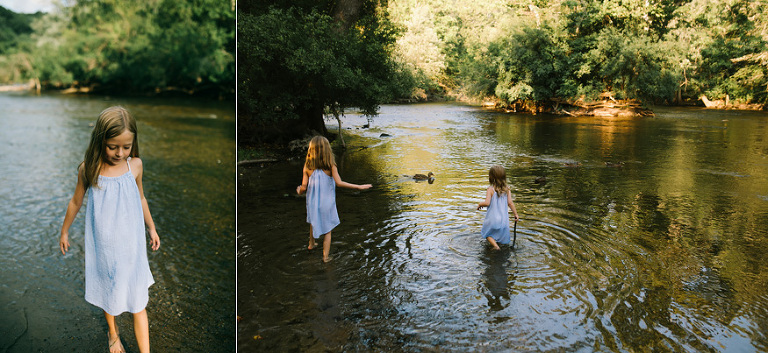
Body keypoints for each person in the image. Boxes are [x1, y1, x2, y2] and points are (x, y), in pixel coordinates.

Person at [59, 106, 160, 353]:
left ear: (133, 143)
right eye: (113, 146)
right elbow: (75, 202)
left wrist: (152, 228)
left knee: (138, 299)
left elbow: (142, 199)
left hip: (132, 245)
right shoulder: (89, 169)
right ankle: (113, 333)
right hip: (104, 244)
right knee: (110, 287)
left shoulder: (135, 166)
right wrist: (64, 231)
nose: (119, 152)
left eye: (126, 147)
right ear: (100, 140)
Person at [296, 136, 371, 262]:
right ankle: (325, 257)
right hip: (327, 203)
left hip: (313, 202)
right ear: (327, 150)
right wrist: (358, 187)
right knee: (328, 230)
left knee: (313, 220)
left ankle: (311, 243)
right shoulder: (331, 166)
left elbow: (303, 187)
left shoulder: (307, 166)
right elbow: (339, 183)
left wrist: (299, 191)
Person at [477, 165, 519, 250]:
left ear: (491, 177)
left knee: (487, 233)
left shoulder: (490, 189)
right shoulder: (507, 189)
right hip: (504, 220)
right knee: (499, 234)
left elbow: (487, 203)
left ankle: (495, 246)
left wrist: (480, 204)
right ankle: (499, 246)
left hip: (493, 220)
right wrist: (516, 214)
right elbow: (510, 203)